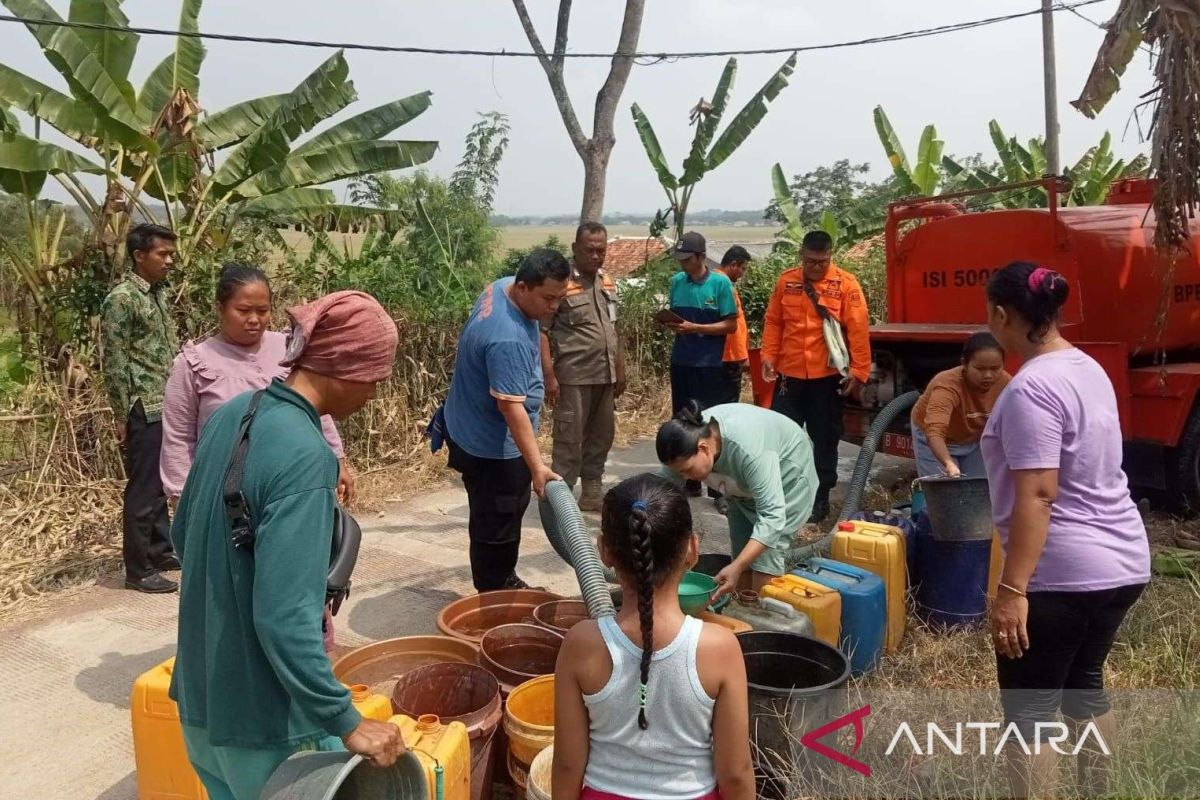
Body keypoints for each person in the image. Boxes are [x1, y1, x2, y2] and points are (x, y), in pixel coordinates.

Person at [170, 291, 404, 800]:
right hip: (266, 724)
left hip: (202, 701)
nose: (374, 394)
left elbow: (183, 535)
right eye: (374, 379)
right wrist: (345, 720)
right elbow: (283, 616)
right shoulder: (306, 456)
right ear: (343, 368)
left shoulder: (235, 413)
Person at [979, 262, 1150, 799]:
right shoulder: (1086, 366)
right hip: (1123, 562)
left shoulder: (1032, 388)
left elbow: (1038, 494)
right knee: (1083, 686)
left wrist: (1012, 590)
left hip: (1064, 574)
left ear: (1002, 315)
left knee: (1028, 714)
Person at [160, 263, 352, 653]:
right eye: (243, 310)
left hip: (290, 489)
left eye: (262, 311)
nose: (254, 320)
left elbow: (318, 407)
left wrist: (338, 458)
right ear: (219, 308)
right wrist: (182, 497)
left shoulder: (287, 350)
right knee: (233, 584)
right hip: (225, 499)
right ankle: (236, 666)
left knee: (299, 578)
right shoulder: (195, 364)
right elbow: (178, 436)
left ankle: (306, 661)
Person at [553, 473, 754, 800]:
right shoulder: (720, 648)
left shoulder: (581, 644)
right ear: (693, 549)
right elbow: (735, 774)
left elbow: (565, 765)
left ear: (604, 552)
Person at [443, 249, 569, 592]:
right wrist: (537, 466)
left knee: (492, 512)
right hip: (490, 444)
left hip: (466, 420)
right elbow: (511, 409)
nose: (554, 306)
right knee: (498, 518)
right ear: (525, 287)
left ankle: (500, 578)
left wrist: (545, 368)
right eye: (549, 298)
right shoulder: (506, 337)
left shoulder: (500, 287)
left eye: (560, 297)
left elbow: (536, 328)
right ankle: (493, 592)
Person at [760, 230, 871, 523]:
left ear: (831, 256)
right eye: (810, 262)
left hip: (827, 377)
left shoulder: (846, 285)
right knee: (781, 436)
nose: (817, 267)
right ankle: (781, 493)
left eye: (822, 261)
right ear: (801, 256)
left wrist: (859, 371)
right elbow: (774, 321)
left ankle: (820, 498)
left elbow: (858, 330)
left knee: (825, 438)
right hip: (790, 376)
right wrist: (768, 356)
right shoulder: (786, 281)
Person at [655, 401, 817, 600]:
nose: (685, 477)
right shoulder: (687, 440)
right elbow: (658, 492)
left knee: (765, 558)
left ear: (704, 448)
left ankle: (763, 619)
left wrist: (737, 566)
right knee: (741, 553)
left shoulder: (747, 450)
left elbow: (773, 518)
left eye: (687, 470)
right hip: (742, 490)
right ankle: (742, 613)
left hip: (788, 480)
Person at [101, 223, 182, 594]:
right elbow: (114, 361)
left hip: (165, 401)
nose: (169, 260)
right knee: (144, 487)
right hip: (141, 405)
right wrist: (121, 415)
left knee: (161, 481)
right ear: (139, 256)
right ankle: (138, 569)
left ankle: (162, 550)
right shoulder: (122, 299)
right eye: (162, 254)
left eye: (171, 253)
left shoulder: (158, 293)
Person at [541, 223, 627, 512]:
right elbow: (542, 331)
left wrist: (621, 369)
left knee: (602, 436)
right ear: (575, 248)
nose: (595, 255)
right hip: (573, 377)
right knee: (568, 439)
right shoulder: (560, 283)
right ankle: (560, 499)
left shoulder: (608, 282)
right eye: (589, 249)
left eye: (600, 250)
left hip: (605, 376)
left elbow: (614, 329)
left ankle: (591, 491)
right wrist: (549, 375)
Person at [663, 231, 738, 497]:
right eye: (680, 259)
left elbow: (730, 324)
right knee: (683, 421)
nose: (683, 264)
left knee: (710, 423)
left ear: (701, 256)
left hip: (709, 365)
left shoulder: (721, 284)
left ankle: (718, 488)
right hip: (682, 361)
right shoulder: (676, 282)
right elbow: (677, 318)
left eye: (687, 259)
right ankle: (690, 479)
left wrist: (696, 327)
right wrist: (673, 324)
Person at [910, 332, 1011, 478]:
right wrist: (948, 463)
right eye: (980, 369)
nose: (988, 375)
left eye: (995, 369)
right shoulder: (947, 386)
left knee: (978, 488)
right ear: (964, 363)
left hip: (974, 439)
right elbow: (935, 432)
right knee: (942, 492)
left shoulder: (1007, 383)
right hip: (936, 439)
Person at [715, 246, 751, 406]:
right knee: (728, 404)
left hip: (727, 355)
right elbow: (731, 325)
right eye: (742, 268)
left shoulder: (718, 282)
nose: (742, 274)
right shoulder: (724, 285)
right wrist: (742, 356)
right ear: (733, 264)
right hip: (729, 355)